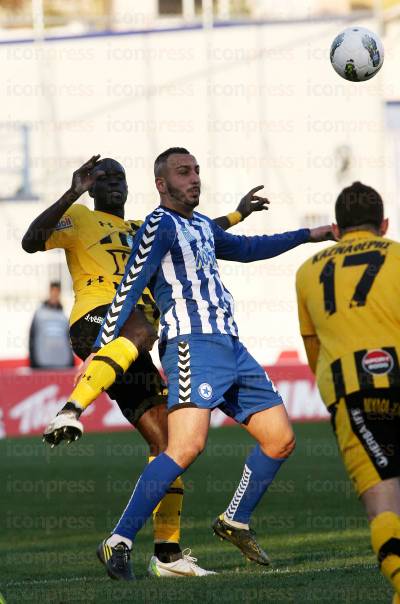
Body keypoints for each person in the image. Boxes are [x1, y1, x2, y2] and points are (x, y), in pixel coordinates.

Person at [71, 146, 333, 581]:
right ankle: (118, 540)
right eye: (183, 172)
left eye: (196, 170)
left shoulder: (199, 226)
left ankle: (235, 520)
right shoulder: (158, 225)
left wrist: (310, 234)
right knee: (185, 447)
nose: (194, 178)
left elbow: (250, 248)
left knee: (280, 439)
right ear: (162, 184)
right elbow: (129, 288)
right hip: (191, 343)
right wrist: (101, 349)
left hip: (231, 346)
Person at [21, 154, 270, 578]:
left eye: (119, 177)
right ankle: (71, 408)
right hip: (99, 320)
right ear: (92, 187)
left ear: (131, 186)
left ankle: (165, 555)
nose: (112, 183)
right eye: (103, 178)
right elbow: (30, 240)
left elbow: (203, 234)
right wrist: (72, 191)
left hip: (132, 344)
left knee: (169, 444)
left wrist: (239, 213)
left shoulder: (144, 227)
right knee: (140, 329)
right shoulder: (79, 218)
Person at [295, 182, 400, 604]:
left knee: (385, 503)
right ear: (385, 224)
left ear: (336, 229)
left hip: (352, 390)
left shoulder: (307, 272)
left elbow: (312, 347)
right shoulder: (397, 255)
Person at [29, 280, 74, 369]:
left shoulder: (64, 315)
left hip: (62, 363)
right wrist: (33, 362)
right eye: (53, 291)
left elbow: (68, 339)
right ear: (49, 292)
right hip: (42, 363)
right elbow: (32, 337)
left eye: (57, 292)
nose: (55, 295)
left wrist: (70, 361)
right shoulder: (39, 314)